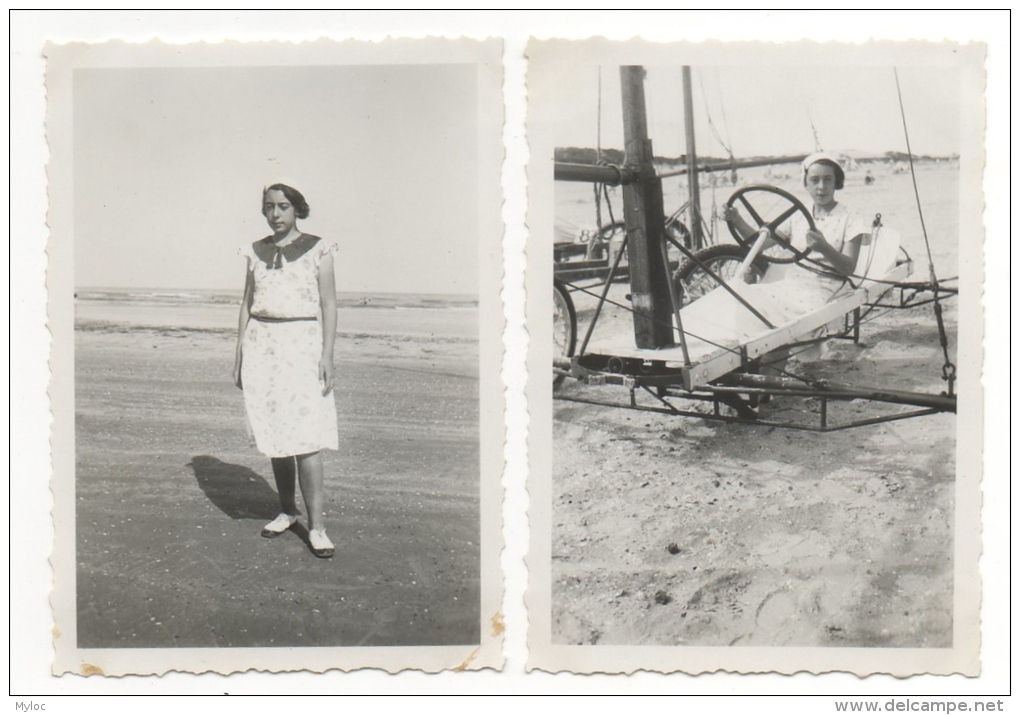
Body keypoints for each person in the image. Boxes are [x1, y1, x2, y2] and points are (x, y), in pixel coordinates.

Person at [233, 183, 339, 558]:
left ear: (297, 210)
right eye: (268, 207)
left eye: (282, 207)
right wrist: (239, 354)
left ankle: (318, 527)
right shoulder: (254, 252)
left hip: (302, 346)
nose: (275, 214)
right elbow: (247, 303)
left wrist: (327, 355)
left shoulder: (318, 249)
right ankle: (287, 510)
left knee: (307, 438)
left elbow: (328, 304)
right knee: (276, 434)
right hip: (262, 346)